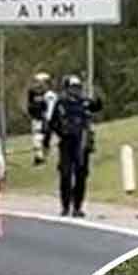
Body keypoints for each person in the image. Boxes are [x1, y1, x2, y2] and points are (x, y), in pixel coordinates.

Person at [47, 74, 101, 218]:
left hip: (82, 144)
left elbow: (97, 106)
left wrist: (96, 95)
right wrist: (60, 133)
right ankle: (65, 206)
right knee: (65, 174)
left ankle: (77, 206)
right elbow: (52, 123)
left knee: (81, 175)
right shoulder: (61, 104)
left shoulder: (84, 103)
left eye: (77, 88)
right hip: (66, 143)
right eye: (72, 88)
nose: (75, 91)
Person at [26, 71, 57, 165]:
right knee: (37, 138)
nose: (37, 84)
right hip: (36, 118)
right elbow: (30, 105)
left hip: (45, 120)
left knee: (44, 139)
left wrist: (48, 119)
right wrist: (31, 112)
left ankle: (42, 157)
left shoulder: (49, 94)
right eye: (36, 82)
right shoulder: (32, 93)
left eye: (40, 82)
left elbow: (51, 108)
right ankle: (39, 157)